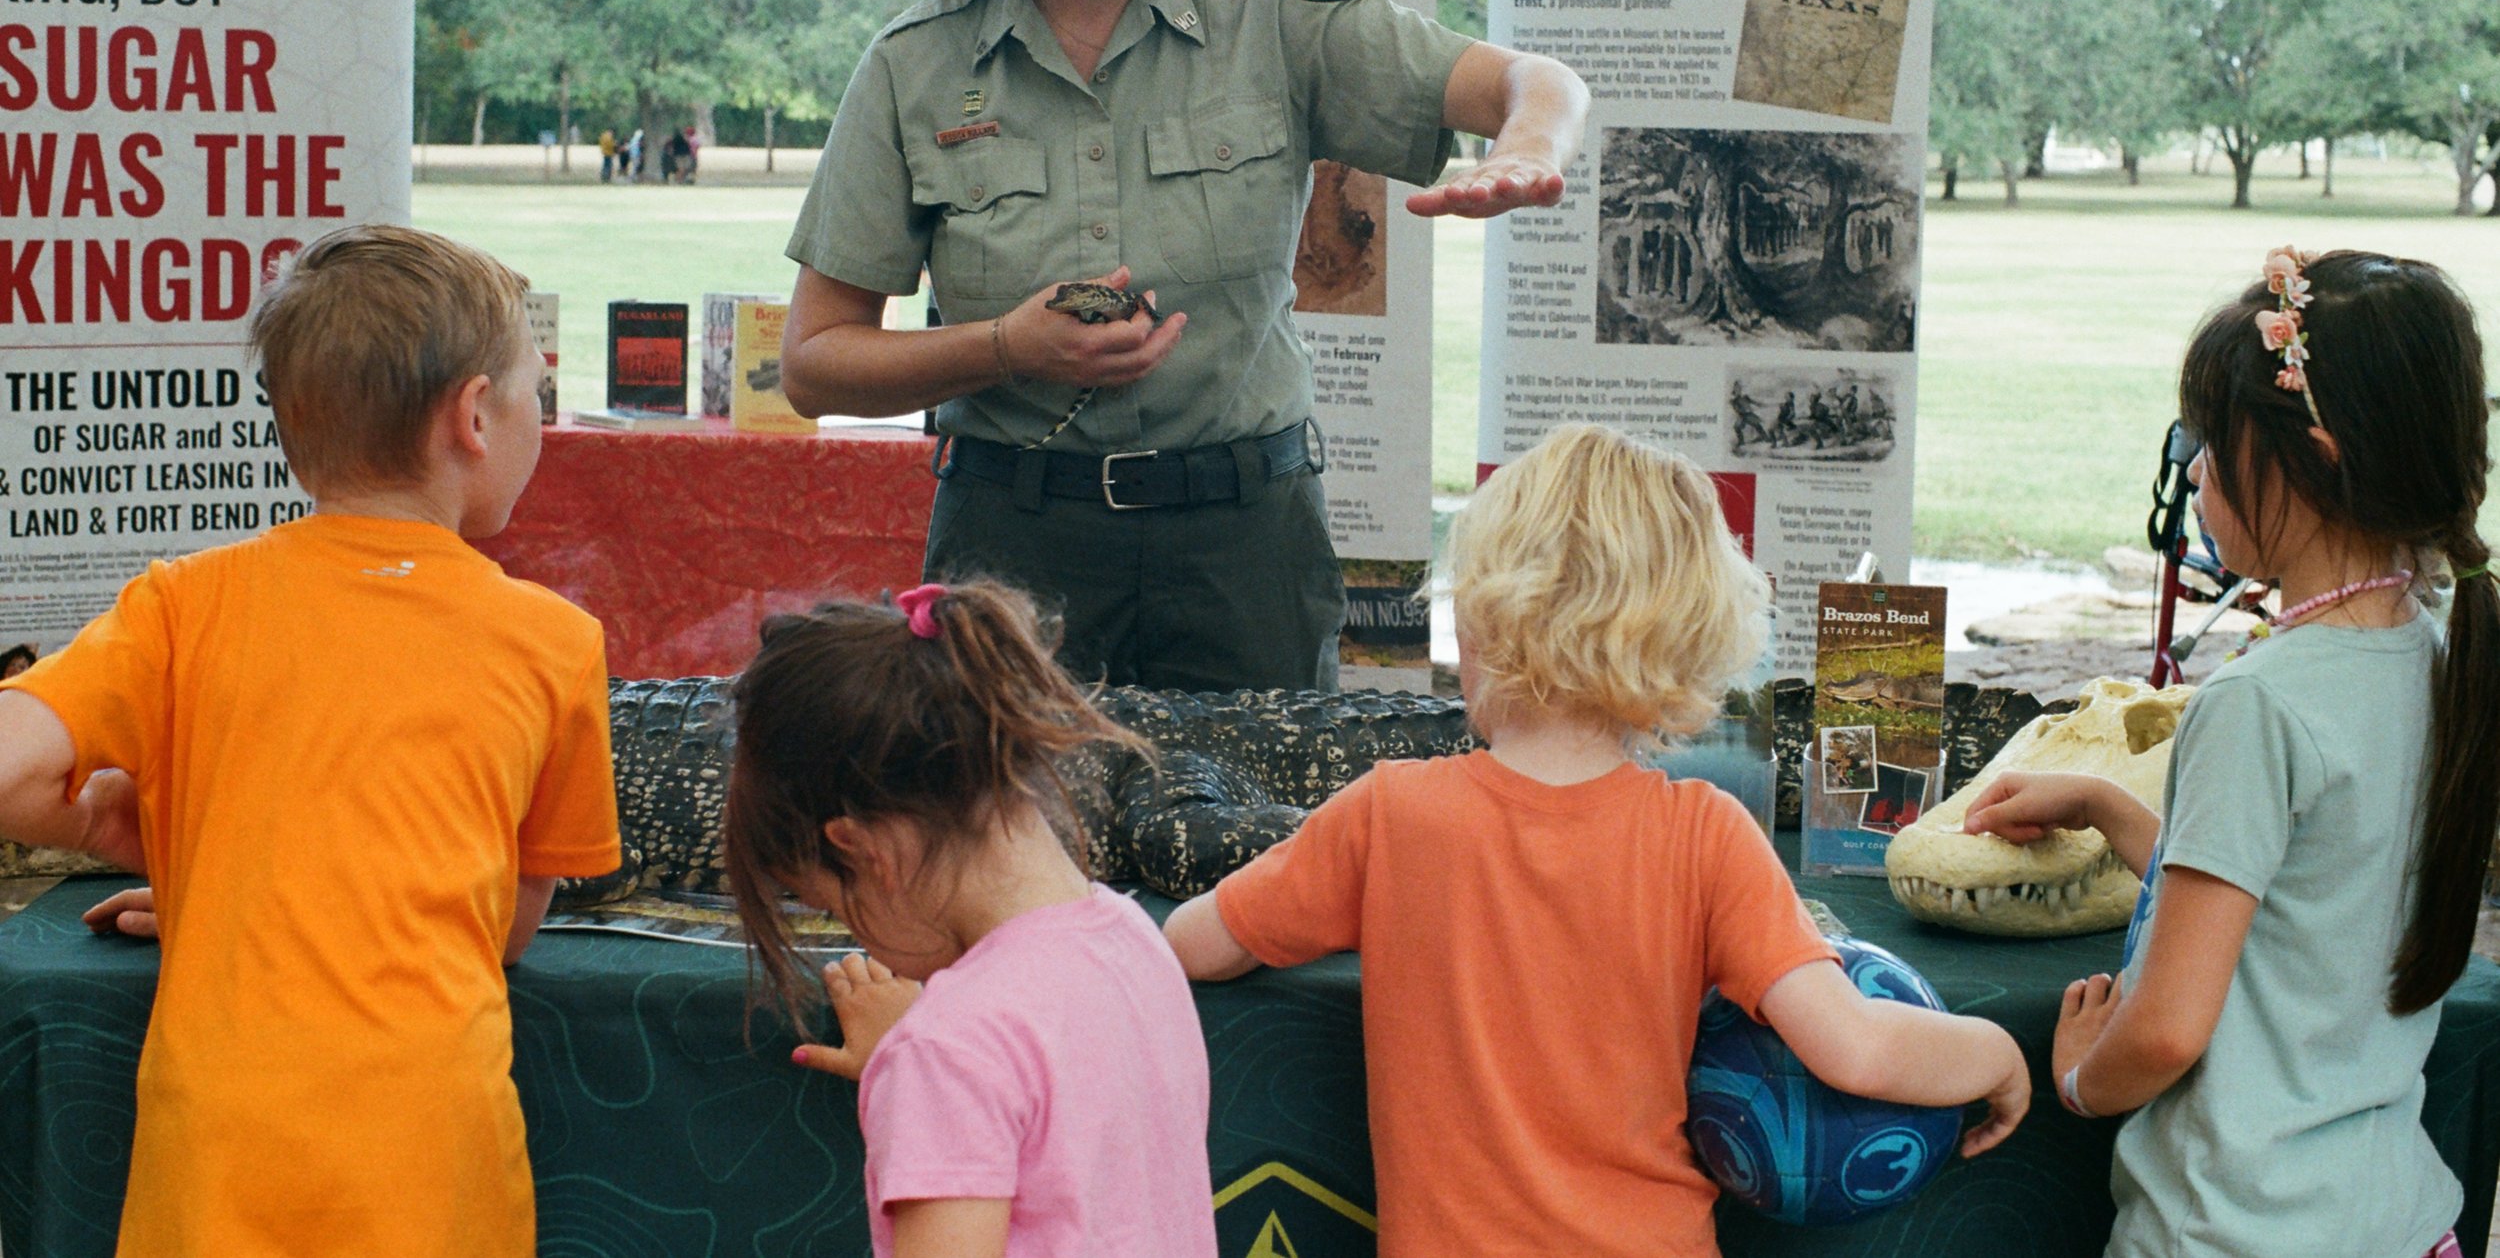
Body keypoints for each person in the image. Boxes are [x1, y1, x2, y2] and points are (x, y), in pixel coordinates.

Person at [779, 0, 1589, 692]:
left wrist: (1524, 147)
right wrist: (1003, 347)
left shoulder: (1271, 16)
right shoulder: (916, 65)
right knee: (1005, 846)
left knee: (1258, 850)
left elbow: (1536, 79)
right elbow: (814, 363)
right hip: (1014, 549)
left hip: (1243, 547)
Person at [1163, 423, 2029, 1258]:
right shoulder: (1707, 834)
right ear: (1690, 648)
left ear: (1481, 622)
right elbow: (1857, 1046)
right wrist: (1994, 1051)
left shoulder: (1388, 814)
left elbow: (1194, 942)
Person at [0, 225, 621, 1257]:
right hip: (429, 1156)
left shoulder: (182, 604)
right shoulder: (555, 642)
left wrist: (191, 851)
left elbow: (14, 760)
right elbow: (502, 920)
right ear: (473, 415)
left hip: (218, 1152)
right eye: (534, 396)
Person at [1963, 247, 2495, 1258]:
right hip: (2389, 1215)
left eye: (2215, 441)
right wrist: (2115, 810)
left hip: (2233, 1227)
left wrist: (2079, 1077)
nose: (2196, 470)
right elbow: (2315, 890)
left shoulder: (2259, 699)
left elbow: (2164, 1027)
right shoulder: (2431, 649)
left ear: (2317, 457)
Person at [722, 580, 1215, 1258]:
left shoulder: (944, 1054)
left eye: (833, 907)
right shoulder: (1137, 941)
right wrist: (918, 1063)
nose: (855, 935)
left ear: (863, 849)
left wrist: (922, 1065)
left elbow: (976, 1062)